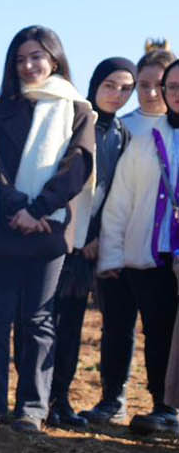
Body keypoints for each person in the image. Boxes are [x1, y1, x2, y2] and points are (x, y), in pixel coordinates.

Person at [0, 26, 94, 433]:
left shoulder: (77, 109)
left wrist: (39, 209)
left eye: (37, 57)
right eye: (21, 58)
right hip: (3, 228)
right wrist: (18, 207)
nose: (28, 66)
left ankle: (32, 407)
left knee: (39, 319)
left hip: (48, 229)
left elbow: (77, 166)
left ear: (55, 59)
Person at [96, 58, 179, 434]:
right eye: (142, 84)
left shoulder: (173, 133)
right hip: (119, 251)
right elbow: (116, 200)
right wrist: (109, 255)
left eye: (158, 85)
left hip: (160, 258)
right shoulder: (124, 128)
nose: (150, 93)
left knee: (160, 331)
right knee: (116, 329)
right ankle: (111, 398)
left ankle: (163, 404)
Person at [52, 58, 136, 427]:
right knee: (41, 323)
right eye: (110, 85)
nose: (117, 95)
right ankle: (33, 399)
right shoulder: (73, 118)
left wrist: (97, 236)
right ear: (95, 83)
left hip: (88, 248)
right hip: (59, 237)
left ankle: (60, 400)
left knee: (71, 325)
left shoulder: (122, 133)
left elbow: (115, 191)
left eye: (125, 89)